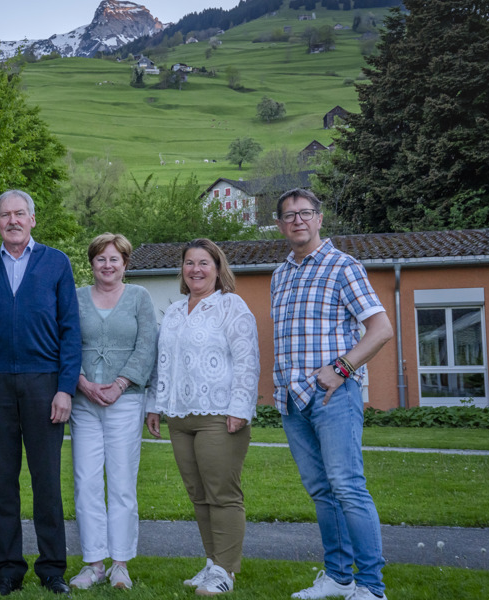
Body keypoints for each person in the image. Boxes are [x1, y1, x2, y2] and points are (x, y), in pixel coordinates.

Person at [271, 189, 393, 600]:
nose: (298, 220)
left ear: (320, 219)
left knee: (348, 486)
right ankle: (339, 577)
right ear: (280, 225)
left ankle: (371, 587)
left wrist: (342, 368)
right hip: (292, 401)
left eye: (305, 213)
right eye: (289, 216)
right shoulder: (280, 274)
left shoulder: (345, 266)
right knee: (323, 491)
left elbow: (381, 329)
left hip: (333, 398)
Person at [0, 189, 81, 596]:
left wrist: (65, 389)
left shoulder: (56, 263)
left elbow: (71, 333)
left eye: (19, 213)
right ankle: (8, 570)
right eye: (5, 215)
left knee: (47, 482)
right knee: (2, 484)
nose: (12, 220)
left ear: (32, 220)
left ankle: (52, 569)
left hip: (44, 384)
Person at [145, 238, 260, 596]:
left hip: (219, 415)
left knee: (222, 494)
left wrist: (240, 409)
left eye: (204, 263)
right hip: (180, 416)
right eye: (190, 263)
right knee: (198, 495)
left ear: (217, 268)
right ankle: (212, 563)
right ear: (182, 269)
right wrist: (154, 404)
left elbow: (247, 360)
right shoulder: (177, 311)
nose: (196, 269)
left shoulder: (231, 306)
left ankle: (226, 570)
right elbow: (162, 362)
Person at [68, 233, 157, 591]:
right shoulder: (74, 297)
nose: (107, 265)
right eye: (100, 259)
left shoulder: (139, 297)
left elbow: (147, 344)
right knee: (86, 483)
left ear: (125, 264)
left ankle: (120, 563)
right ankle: (94, 564)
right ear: (91, 263)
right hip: (83, 401)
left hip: (126, 400)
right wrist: (83, 383)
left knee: (121, 484)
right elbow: (65, 342)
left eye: (114, 259)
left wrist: (120, 384)